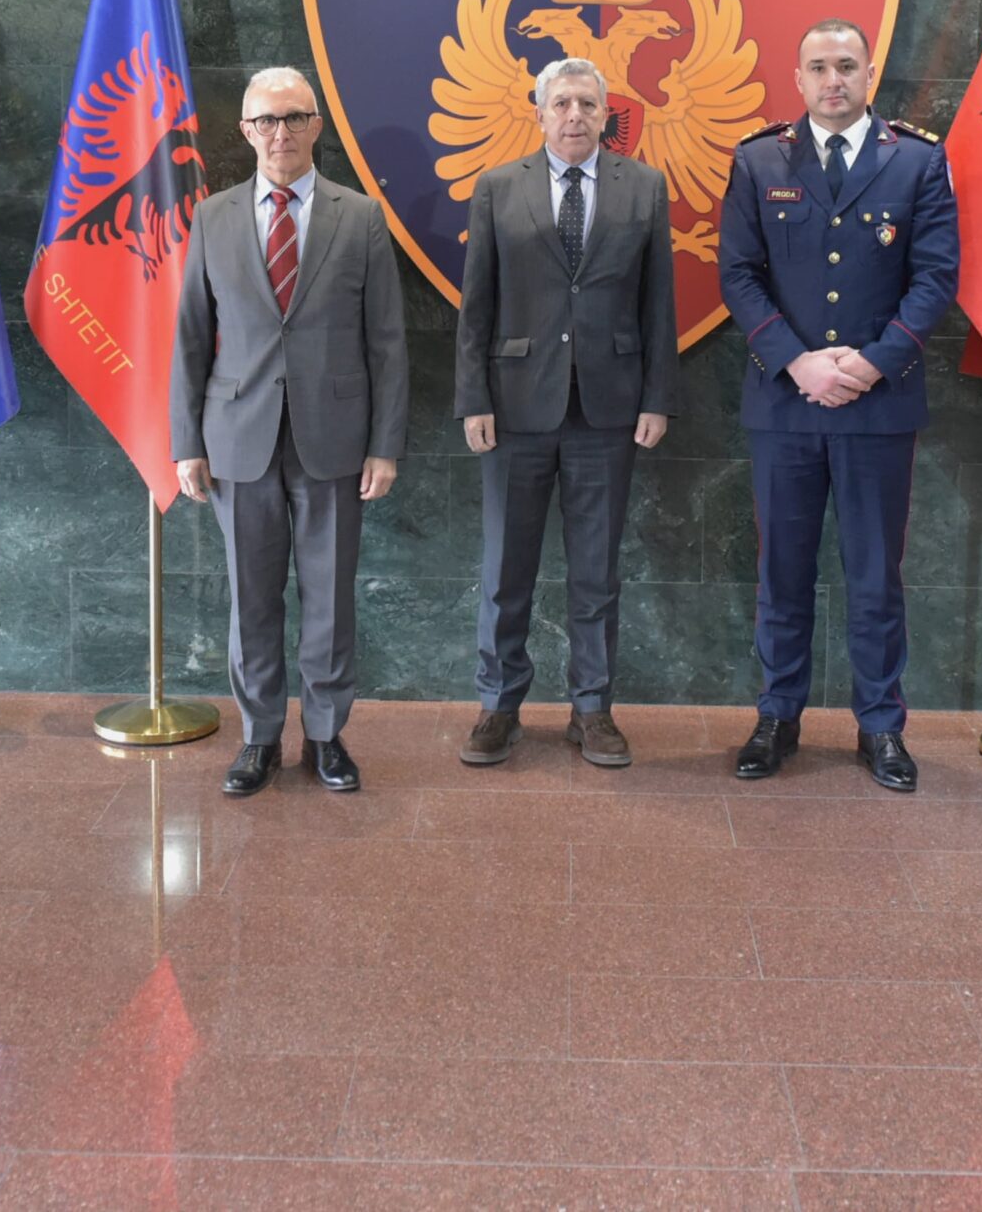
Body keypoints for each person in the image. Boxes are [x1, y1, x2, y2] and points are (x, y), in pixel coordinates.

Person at [718, 20, 958, 791]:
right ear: (798, 77)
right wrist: (798, 361)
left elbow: (935, 277)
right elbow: (738, 273)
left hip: (875, 406)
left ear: (869, 73)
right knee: (781, 571)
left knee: (875, 576)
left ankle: (881, 724)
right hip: (785, 404)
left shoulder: (917, 160)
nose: (833, 80)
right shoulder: (759, 160)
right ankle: (777, 715)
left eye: (846, 65)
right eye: (818, 66)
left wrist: (870, 363)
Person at [172, 67, 409, 797]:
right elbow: (189, 337)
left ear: (317, 126)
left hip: (334, 439)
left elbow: (388, 342)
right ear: (246, 131)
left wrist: (385, 444)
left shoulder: (360, 217)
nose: (282, 133)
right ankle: (259, 738)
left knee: (330, 597)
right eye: (267, 120)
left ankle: (327, 737)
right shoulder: (212, 218)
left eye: (295, 117)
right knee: (252, 598)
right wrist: (186, 443)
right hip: (236, 437)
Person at [453, 57, 678, 769]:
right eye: (561, 103)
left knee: (597, 571)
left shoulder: (643, 186)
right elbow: (477, 304)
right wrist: (473, 398)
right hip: (514, 406)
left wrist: (657, 397)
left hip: (608, 409)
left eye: (587, 103)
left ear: (606, 114)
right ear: (540, 113)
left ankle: (592, 709)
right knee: (504, 569)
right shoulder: (498, 187)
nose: (574, 115)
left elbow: (659, 303)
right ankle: (498, 705)